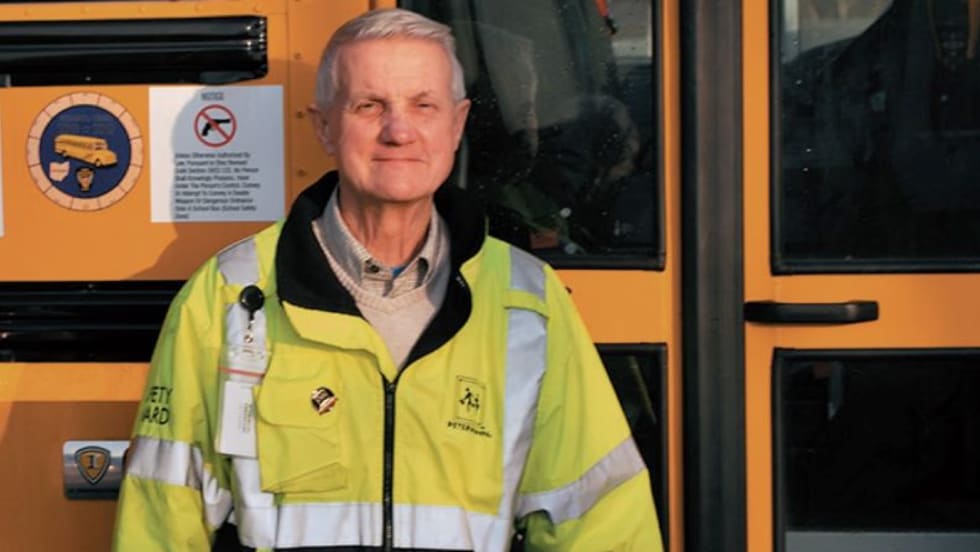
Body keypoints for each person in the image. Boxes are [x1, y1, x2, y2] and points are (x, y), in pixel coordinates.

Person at [113, 8, 662, 551]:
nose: (399, 131)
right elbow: (160, 523)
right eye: (369, 106)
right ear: (324, 127)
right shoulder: (230, 296)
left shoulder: (529, 303)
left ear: (456, 124)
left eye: (424, 106)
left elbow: (602, 524)